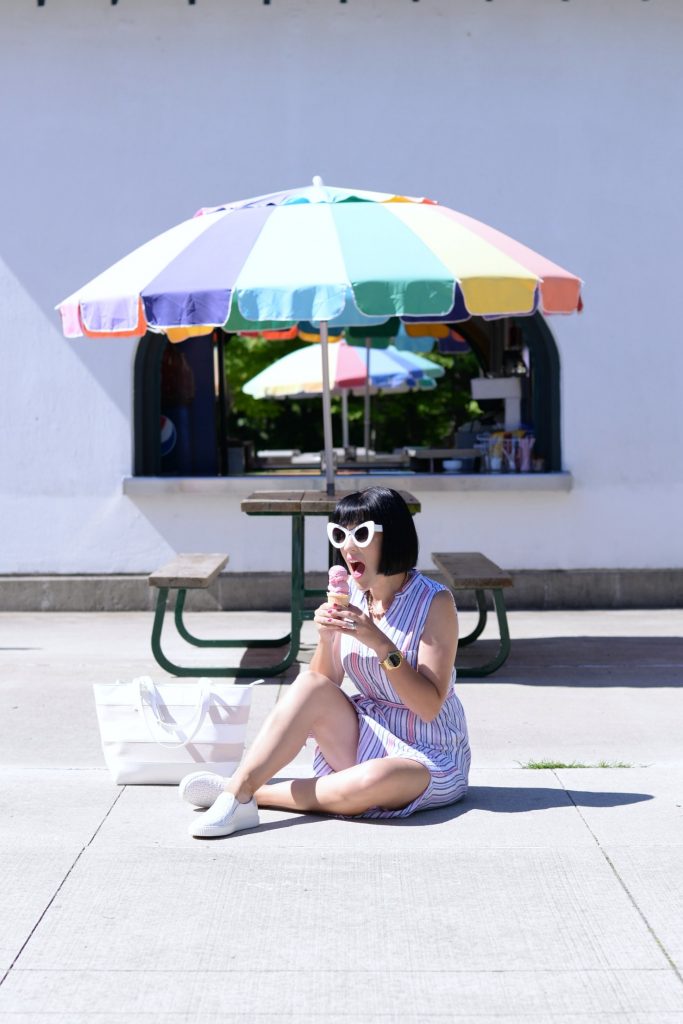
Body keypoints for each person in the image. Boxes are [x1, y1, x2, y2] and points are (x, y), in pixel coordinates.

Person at [180, 486, 471, 838]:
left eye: (361, 535)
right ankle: (238, 790)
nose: (347, 548)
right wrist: (326, 636)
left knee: (375, 781)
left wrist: (379, 643)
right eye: (339, 535)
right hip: (368, 734)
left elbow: (428, 706)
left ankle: (248, 794)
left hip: (430, 753)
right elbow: (320, 687)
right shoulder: (350, 594)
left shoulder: (435, 603)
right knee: (306, 683)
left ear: (392, 537)